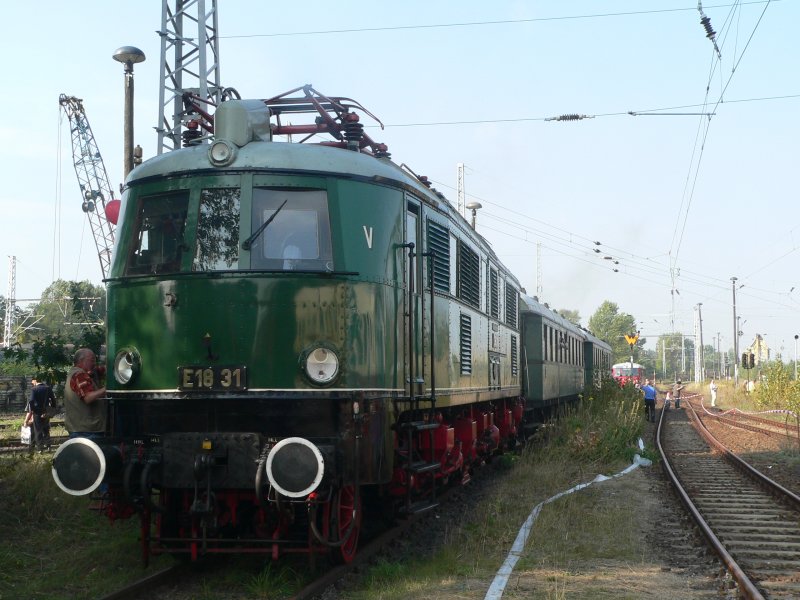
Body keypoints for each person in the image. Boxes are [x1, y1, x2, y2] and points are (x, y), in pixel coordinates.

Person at [64, 348, 107, 438]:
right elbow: (88, 398)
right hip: (86, 431)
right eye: (92, 360)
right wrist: (107, 389)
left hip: (80, 429)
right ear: (81, 361)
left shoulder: (79, 373)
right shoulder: (80, 375)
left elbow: (101, 370)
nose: (94, 363)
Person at [27, 378, 56, 452]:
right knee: (46, 429)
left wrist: (33, 410)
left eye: (32, 380)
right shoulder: (48, 388)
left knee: (38, 430)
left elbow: (31, 401)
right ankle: (49, 446)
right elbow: (53, 399)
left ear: (35, 380)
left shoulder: (34, 389)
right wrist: (52, 409)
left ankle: (40, 449)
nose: (31, 382)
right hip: (46, 411)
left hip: (37, 412)